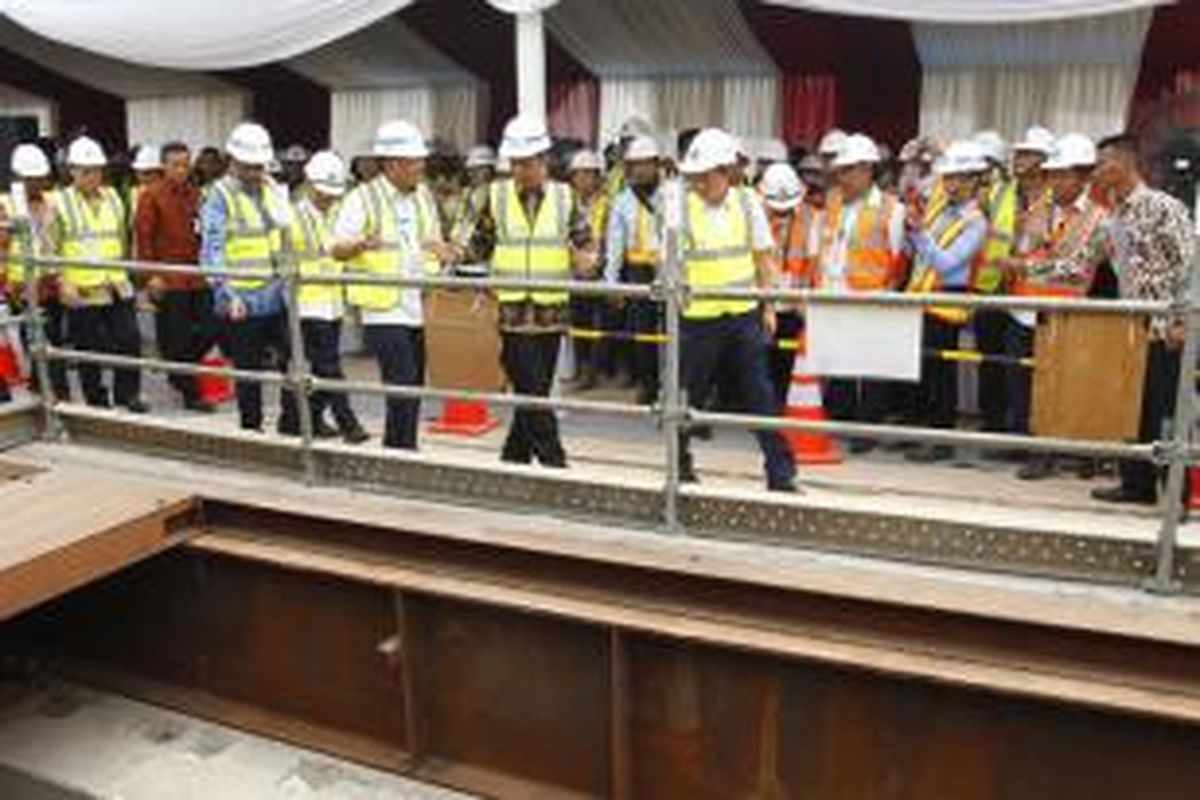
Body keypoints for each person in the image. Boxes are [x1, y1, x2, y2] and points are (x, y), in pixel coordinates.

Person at [673, 127, 797, 492]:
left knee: (759, 395)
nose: (699, 182)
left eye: (706, 174)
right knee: (687, 396)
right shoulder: (678, 206)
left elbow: (764, 259)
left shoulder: (747, 203)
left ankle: (781, 473)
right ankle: (679, 465)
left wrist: (769, 307)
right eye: (694, 175)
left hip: (744, 316)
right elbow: (667, 264)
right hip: (698, 319)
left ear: (726, 171)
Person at [480, 114, 595, 468]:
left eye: (526, 163)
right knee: (531, 389)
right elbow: (477, 244)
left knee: (535, 393)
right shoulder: (496, 197)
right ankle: (554, 462)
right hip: (512, 312)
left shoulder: (565, 198)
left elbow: (587, 244)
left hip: (551, 312)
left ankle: (513, 458)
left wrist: (586, 260)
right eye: (514, 163)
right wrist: (451, 254)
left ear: (543, 160)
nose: (520, 171)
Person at [1090, 132, 1196, 505]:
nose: (1097, 171)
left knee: (1165, 411)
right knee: (1132, 408)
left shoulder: (1163, 206)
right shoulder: (1112, 216)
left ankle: (1176, 491)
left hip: (1167, 328)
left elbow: (1190, 264)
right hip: (1130, 330)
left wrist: (1184, 319)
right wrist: (1024, 267)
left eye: (1102, 163)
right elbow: (1080, 264)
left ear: (1124, 163)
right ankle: (1136, 485)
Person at [999, 133, 1112, 480]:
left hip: (1067, 316)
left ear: (1083, 177)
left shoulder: (1099, 219)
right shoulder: (1037, 211)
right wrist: (1020, 260)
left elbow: (1079, 269)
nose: (1055, 181)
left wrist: (1027, 266)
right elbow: (1021, 249)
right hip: (1026, 312)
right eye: (1052, 174)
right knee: (1027, 385)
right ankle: (1036, 450)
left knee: (1064, 388)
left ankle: (1069, 453)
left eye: (1063, 175)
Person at [332, 120, 449, 450]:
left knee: (412, 384)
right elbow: (336, 246)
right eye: (415, 162)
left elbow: (431, 241)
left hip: (416, 304)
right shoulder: (362, 199)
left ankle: (399, 446)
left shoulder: (423, 196)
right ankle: (401, 450)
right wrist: (356, 245)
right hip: (383, 308)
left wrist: (443, 251)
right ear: (393, 164)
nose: (421, 168)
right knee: (401, 382)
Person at [200, 122, 299, 434]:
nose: (256, 173)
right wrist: (226, 294)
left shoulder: (271, 190)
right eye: (249, 167)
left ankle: (292, 422)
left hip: (275, 293)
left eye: (260, 167)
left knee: (296, 361)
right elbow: (212, 249)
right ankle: (251, 429)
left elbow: (285, 234)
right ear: (234, 161)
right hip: (241, 298)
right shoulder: (219, 195)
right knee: (248, 371)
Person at [816, 133, 906, 453]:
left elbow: (897, 257)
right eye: (841, 170)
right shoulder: (833, 201)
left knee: (869, 366)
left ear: (868, 170)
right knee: (838, 361)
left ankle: (867, 428)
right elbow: (826, 246)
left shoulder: (892, 209)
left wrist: (886, 294)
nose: (843, 177)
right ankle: (839, 416)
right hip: (835, 291)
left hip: (872, 295)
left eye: (850, 170)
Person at [904, 140, 990, 463]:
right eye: (948, 177)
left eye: (957, 178)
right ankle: (927, 435)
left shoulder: (976, 221)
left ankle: (941, 439)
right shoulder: (941, 208)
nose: (950, 184)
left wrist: (919, 235)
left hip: (948, 299)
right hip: (925, 297)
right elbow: (923, 254)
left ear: (972, 180)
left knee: (942, 373)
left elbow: (945, 262)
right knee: (926, 369)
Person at [50, 136, 147, 412]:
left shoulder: (114, 198)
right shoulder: (60, 202)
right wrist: (61, 281)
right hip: (82, 289)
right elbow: (49, 247)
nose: (92, 176)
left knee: (129, 339)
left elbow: (122, 239)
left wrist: (129, 275)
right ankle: (95, 397)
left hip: (116, 282)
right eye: (85, 170)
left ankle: (128, 394)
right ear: (72, 171)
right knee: (88, 348)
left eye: (96, 170)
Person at [135, 140, 218, 412]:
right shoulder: (151, 195)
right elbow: (143, 239)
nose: (182, 169)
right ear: (164, 167)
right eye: (175, 165)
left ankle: (177, 368)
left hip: (198, 276)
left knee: (210, 329)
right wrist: (151, 277)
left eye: (185, 164)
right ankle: (190, 392)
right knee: (178, 336)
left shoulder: (197, 194)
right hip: (170, 279)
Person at [292, 151, 368, 445]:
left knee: (323, 366)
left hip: (333, 301)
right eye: (324, 193)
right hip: (306, 302)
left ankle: (305, 420)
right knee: (328, 366)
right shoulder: (294, 216)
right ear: (310, 183)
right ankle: (349, 423)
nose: (328, 198)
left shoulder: (338, 212)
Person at [0, 143, 70, 403]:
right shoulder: (5, 205)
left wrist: (61, 276)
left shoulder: (51, 203)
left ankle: (49, 392)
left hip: (48, 283)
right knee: (34, 341)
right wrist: (7, 284)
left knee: (53, 340)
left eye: (41, 178)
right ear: (17, 178)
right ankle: (53, 394)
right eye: (31, 179)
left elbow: (59, 242)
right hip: (20, 287)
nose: (37, 184)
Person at [605, 134, 664, 403]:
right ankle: (649, 385)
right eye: (634, 165)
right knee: (643, 333)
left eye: (645, 164)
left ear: (656, 164)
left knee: (675, 331)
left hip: (668, 271)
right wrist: (612, 282)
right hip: (637, 272)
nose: (639, 170)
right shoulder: (623, 201)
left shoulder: (672, 195)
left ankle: (677, 385)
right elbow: (614, 244)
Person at [759, 162, 815, 408]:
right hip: (762, 303)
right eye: (776, 209)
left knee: (786, 362)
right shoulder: (754, 218)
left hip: (794, 306)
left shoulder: (811, 219)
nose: (781, 213)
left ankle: (781, 405)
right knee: (761, 361)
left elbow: (814, 263)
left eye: (786, 209)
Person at [566, 149, 608, 391]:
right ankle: (582, 368)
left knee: (597, 325)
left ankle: (592, 372)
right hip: (575, 273)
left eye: (586, 175)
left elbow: (610, 240)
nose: (581, 180)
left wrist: (598, 266)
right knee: (578, 323)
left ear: (596, 176)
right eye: (577, 175)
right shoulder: (568, 202)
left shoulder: (608, 203)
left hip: (598, 274)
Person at [128, 144, 163, 231]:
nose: (143, 178)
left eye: (148, 173)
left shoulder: (167, 195)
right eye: (139, 173)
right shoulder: (132, 195)